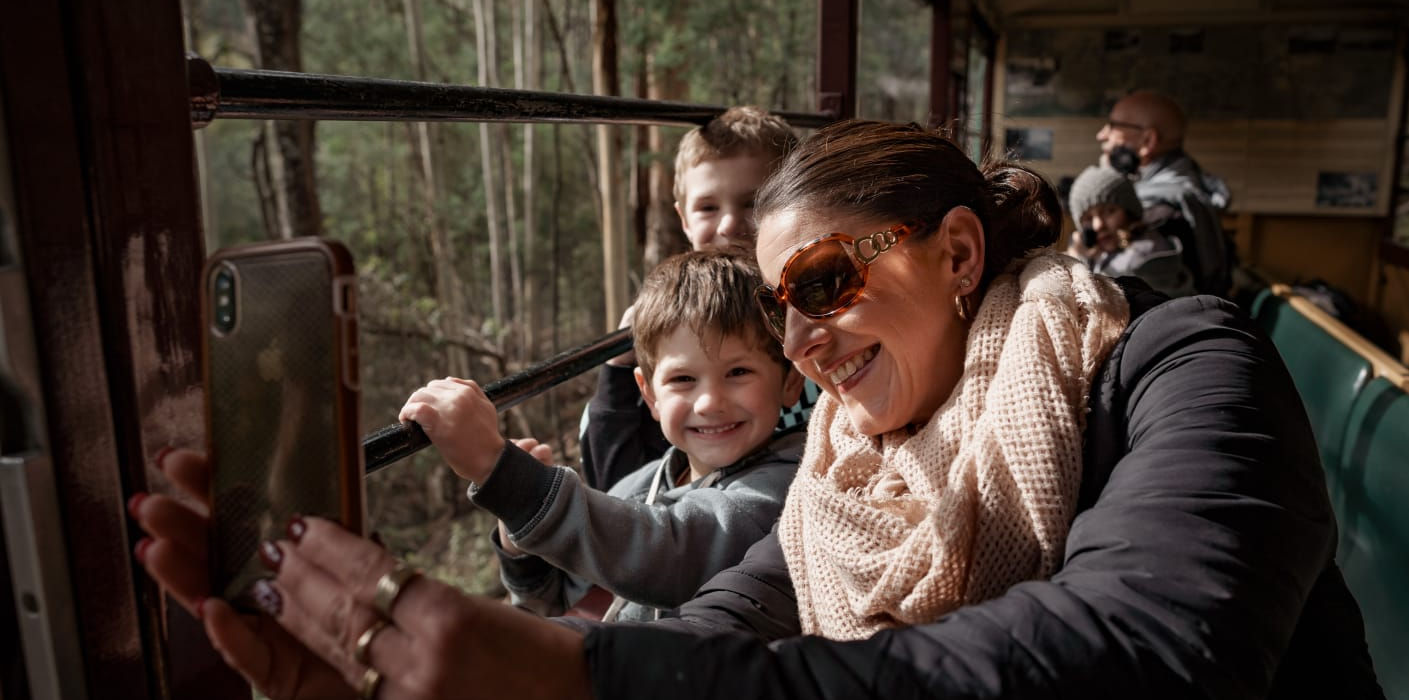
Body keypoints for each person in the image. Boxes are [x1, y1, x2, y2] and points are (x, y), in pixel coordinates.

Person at [131, 120, 1382, 700]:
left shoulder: (1179, 364)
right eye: (782, 311)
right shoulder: (848, 452)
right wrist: (562, 656)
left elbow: (1155, 651)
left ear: (955, 253)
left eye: (827, 284)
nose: (801, 345)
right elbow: (755, 596)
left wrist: (585, 679)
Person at [435, 250, 804, 622]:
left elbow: (666, 551)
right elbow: (558, 605)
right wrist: (519, 545)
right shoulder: (636, 488)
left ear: (790, 381)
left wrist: (505, 477)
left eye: (738, 372)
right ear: (650, 395)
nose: (709, 402)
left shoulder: (782, 489)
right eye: (683, 379)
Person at [579, 105, 819, 492]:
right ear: (684, 218)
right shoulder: (674, 322)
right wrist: (619, 369)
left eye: (753, 203)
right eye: (708, 207)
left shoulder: (826, 314)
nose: (729, 224)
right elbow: (616, 486)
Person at [1098, 89, 1233, 296]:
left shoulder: (1155, 211)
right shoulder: (1193, 186)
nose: (1102, 135)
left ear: (1148, 141)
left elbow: (1108, 282)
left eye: (1113, 126)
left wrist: (1106, 182)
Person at [1065, 165, 1195, 298]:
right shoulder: (1103, 252)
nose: (1098, 225)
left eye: (1109, 211)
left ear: (1130, 212)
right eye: (1088, 218)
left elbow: (1096, 304)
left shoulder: (1145, 256)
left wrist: (1076, 261)